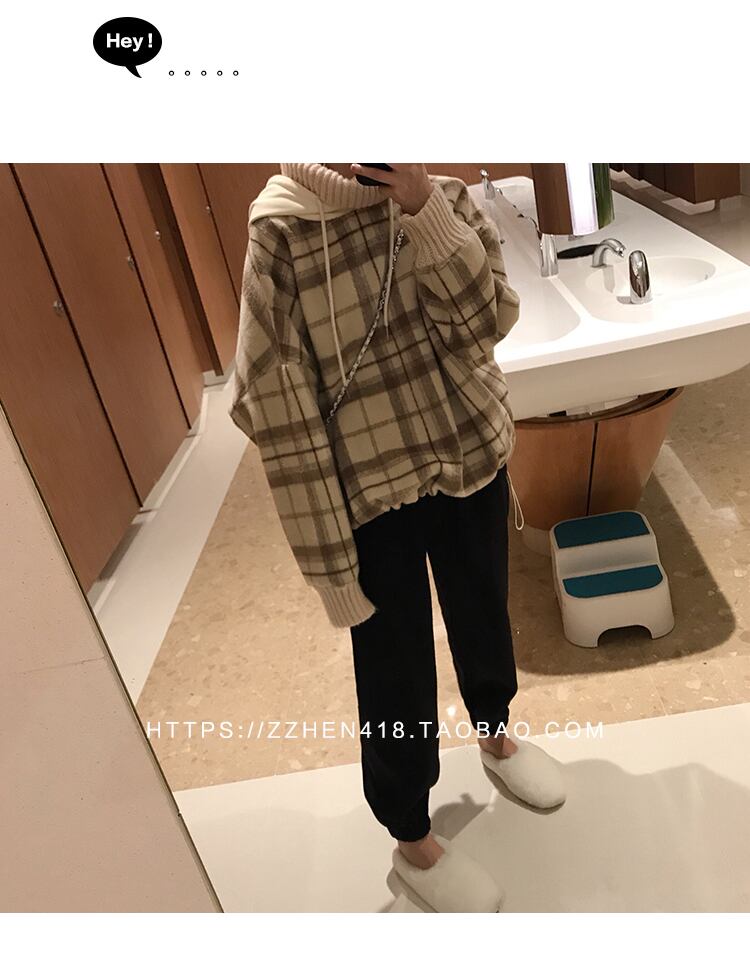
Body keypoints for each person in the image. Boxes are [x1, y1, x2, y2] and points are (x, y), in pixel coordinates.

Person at [230, 163, 565, 912]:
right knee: (393, 670)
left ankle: (496, 734)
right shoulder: (281, 232)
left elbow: (487, 323)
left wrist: (421, 207)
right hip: (369, 490)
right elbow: (276, 407)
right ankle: (412, 836)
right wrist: (329, 566)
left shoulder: (441, 197)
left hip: (467, 455)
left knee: (484, 611)